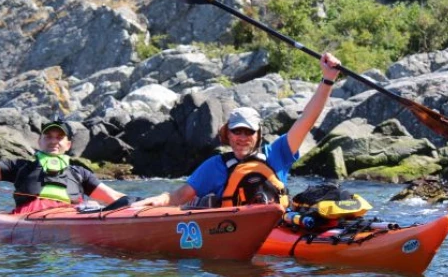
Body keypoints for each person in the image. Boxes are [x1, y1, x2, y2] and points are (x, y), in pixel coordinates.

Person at [135, 52, 341, 209]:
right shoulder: (214, 166)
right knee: (202, 202)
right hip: (232, 230)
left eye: (248, 132)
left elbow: (307, 120)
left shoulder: (278, 153)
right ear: (228, 134)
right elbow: (179, 196)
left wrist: (328, 79)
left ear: (258, 135)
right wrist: (157, 201)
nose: (242, 138)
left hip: (276, 228)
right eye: (237, 131)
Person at [0, 120, 127, 214]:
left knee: (93, 205)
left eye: (59, 137)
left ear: (68, 144)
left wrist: (142, 204)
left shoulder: (79, 173)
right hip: (29, 216)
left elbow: (113, 196)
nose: (53, 141)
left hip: (72, 214)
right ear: (39, 141)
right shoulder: (20, 166)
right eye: (48, 136)